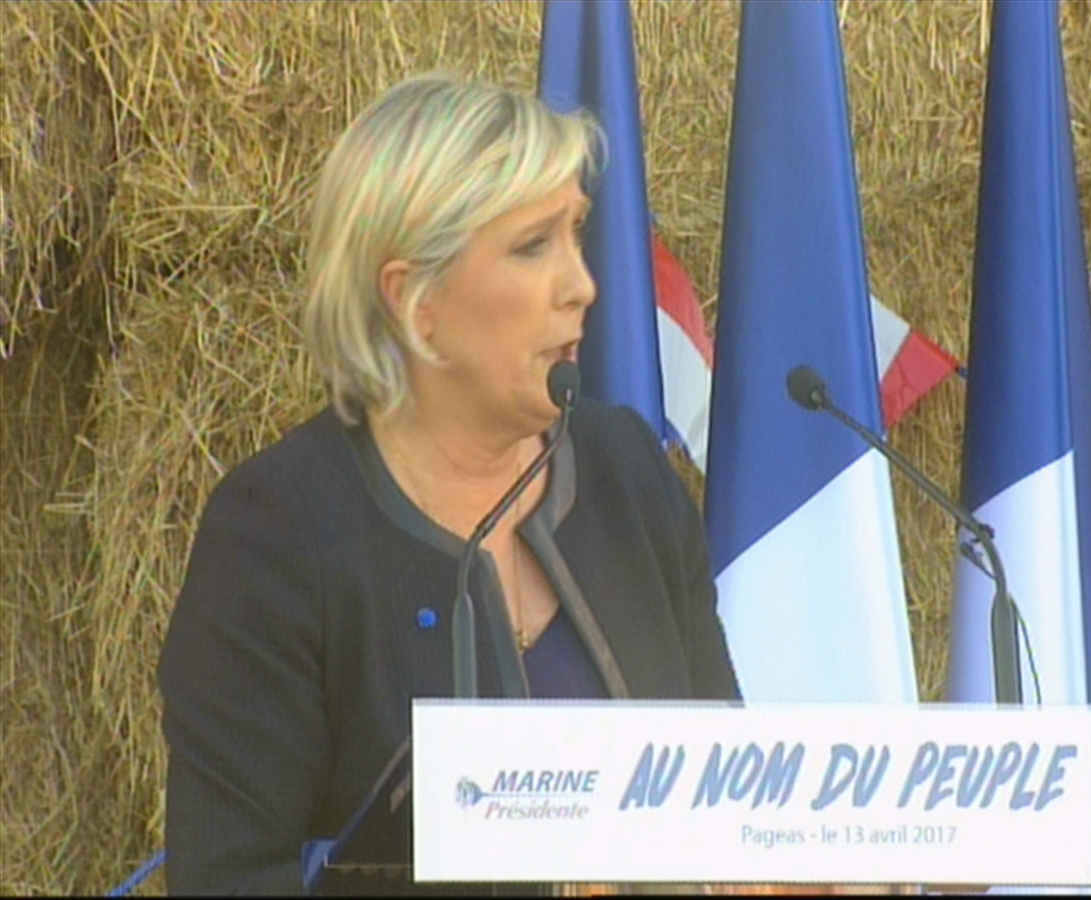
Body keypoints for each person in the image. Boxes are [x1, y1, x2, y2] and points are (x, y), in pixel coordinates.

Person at [158, 72, 740, 896]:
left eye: (576, 233)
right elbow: (229, 879)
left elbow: (726, 793)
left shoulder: (627, 472)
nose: (582, 285)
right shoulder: (276, 532)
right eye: (533, 246)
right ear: (413, 300)